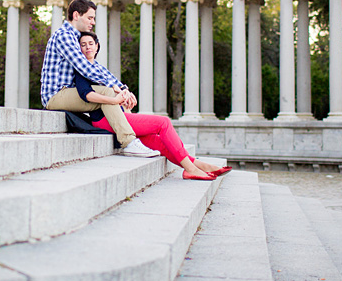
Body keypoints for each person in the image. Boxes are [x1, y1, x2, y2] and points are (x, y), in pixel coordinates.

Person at [76, 30, 232, 181]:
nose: (88, 47)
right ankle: (191, 169)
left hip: (120, 115)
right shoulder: (81, 69)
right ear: (79, 49)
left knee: (159, 142)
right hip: (105, 119)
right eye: (83, 44)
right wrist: (115, 100)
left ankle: (198, 165)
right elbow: (86, 94)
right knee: (163, 123)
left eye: (91, 43)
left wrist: (125, 95)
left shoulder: (100, 69)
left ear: (97, 46)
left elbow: (116, 88)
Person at [41, 0, 160, 157]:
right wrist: (117, 87)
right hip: (55, 96)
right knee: (108, 93)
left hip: (68, 93)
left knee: (113, 94)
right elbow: (85, 68)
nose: (93, 22)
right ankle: (129, 142)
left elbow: (95, 69)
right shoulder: (64, 36)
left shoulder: (75, 37)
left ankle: (133, 137)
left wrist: (122, 89)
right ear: (76, 15)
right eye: (90, 18)